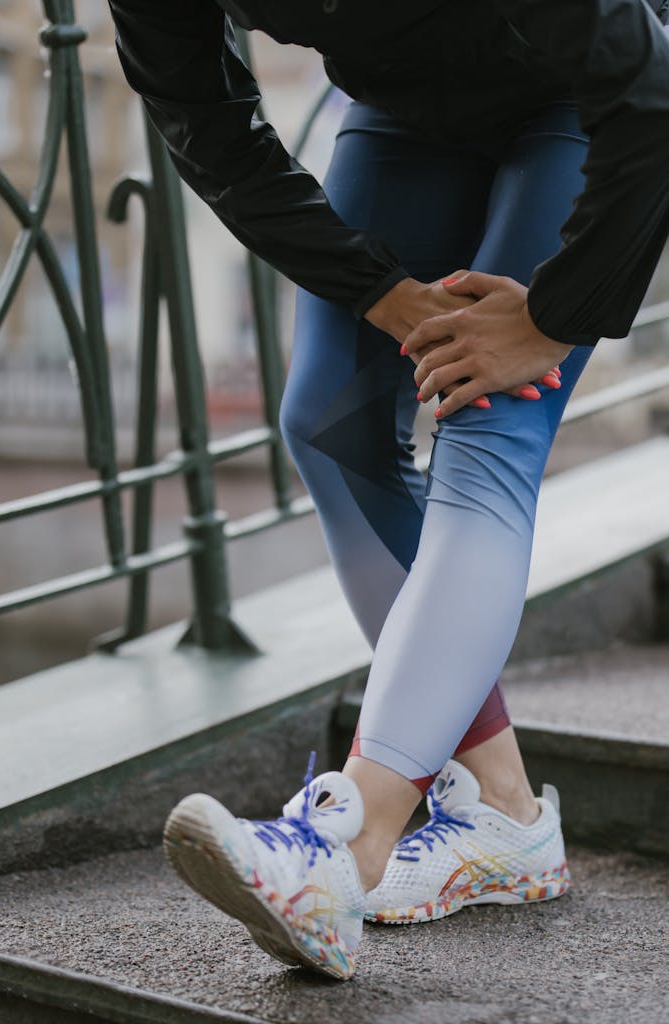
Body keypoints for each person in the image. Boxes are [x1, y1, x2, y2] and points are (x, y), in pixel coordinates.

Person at [108, 0, 669, 980]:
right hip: (405, 114)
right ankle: (501, 812)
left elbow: (654, 91)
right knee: (328, 425)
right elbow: (204, 121)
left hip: (584, 100)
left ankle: (342, 850)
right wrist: (381, 292)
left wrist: (550, 316)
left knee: (484, 428)